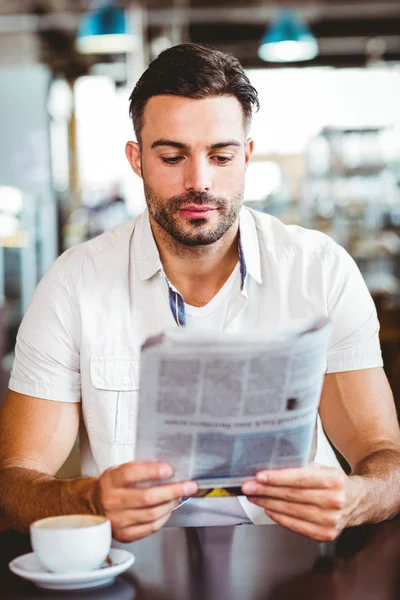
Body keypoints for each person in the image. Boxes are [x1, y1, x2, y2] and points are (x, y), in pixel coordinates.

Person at [1, 43, 400, 543]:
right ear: (137, 159)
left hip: (295, 559)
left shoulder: (320, 271)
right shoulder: (73, 284)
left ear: (247, 156)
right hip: (137, 563)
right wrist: (90, 500)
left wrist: (358, 498)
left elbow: (386, 459)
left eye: (221, 156)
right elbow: (12, 485)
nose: (199, 182)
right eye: (172, 156)